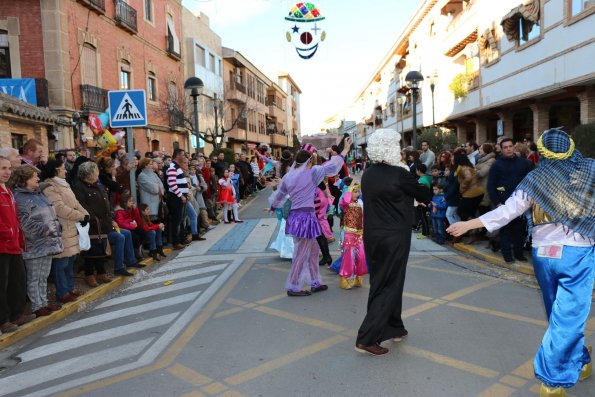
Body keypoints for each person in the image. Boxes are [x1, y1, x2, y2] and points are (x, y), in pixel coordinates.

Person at [448, 128, 594, 397]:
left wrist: (470, 223)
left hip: (543, 256)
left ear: (543, 152)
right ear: (570, 147)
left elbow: (508, 211)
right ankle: (552, 380)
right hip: (577, 255)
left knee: (558, 314)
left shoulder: (535, 178)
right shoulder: (589, 171)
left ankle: (580, 358)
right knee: (569, 316)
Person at [354, 129, 432, 356]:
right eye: (397, 145)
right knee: (390, 285)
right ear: (390, 148)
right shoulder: (400, 175)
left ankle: (394, 327)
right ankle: (366, 338)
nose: (400, 150)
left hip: (373, 236)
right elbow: (425, 194)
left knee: (382, 281)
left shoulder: (368, 173)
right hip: (394, 236)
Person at [268, 140, 352, 297]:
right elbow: (332, 167)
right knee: (301, 253)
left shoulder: (288, 176)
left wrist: (273, 206)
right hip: (306, 217)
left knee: (313, 250)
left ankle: (315, 282)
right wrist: (345, 150)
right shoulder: (313, 172)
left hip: (296, 217)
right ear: (309, 160)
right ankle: (293, 286)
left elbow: (280, 195)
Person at [12, 164, 64, 317]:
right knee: (34, 277)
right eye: (35, 177)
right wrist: (45, 229)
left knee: (43, 276)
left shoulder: (38, 193)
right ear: (26, 179)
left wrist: (57, 226)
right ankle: (36, 306)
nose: (38, 179)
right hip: (34, 244)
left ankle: (44, 302)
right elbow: (24, 222)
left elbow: (50, 213)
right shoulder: (19, 198)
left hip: (47, 242)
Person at [41, 160, 89, 303]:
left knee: (70, 261)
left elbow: (75, 203)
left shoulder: (64, 184)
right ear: (55, 170)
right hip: (61, 229)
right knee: (61, 262)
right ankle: (62, 292)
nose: (66, 171)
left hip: (71, 228)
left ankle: (70, 288)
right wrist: (80, 216)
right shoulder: (50, 187)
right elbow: (59, 208)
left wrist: (85, 214)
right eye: (63, 169)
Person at [0, 157, 34, 333]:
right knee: (2, 284)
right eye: (3, 168)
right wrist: (8, 233)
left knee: (17, 280)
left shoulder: (8, 190)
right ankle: (3, 320)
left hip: (13, 245)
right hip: (2, 246)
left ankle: (16, 314)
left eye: (9, 168)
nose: (7, 172)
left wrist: (18, 236)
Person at [487, 137, 533, 262]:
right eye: (505, 147)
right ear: (501, 150)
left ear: (514, 147)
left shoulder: (525, 163)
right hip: (504, 204)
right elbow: (491, 185)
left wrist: (529, 201)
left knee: (520, 231)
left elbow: (531, 183)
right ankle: (507, 255)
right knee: (505, 231)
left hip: (521, 204)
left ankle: (519, 254)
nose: (508, 149)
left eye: (510, 146)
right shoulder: (496, 165)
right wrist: (497, 203)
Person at [337, 183, 367, 289]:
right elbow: (344, 201)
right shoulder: (345, 203)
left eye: (358, 191)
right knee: (348, 256)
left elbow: (363, 217)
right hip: (349, 233)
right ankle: (344, 279)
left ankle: (358, 278)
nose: (357, 193)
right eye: (355, 191)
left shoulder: (360, 202)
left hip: (359, 233)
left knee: (361, 256)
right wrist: (349, 191)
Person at [167, 149, 189, 250]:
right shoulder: (172, 167)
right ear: (177, 156)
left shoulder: (176, 167)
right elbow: (172, 183)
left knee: (180, 219)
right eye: (183, 155)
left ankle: (181, 238)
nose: (184, 157)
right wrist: (181, 195)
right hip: (176, 197)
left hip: (180, 196)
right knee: (176, 220)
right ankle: (176, 242)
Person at [137, 157, 165, 222]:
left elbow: (162, 187)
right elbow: (154, 189)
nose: (152, 165)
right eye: (150, 164)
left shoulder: (154, 174)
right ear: (145, 165)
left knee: (159, 225)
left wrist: (158, 186)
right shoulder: (142, 176)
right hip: (149, 207)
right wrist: (157, 186)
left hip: (158, 205)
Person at [314, 180, 334, 266]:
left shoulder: (311, 171)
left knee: (318, 230)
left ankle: (326, 256)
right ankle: (326, 256)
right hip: (320, 196)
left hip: (317, 198)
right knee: (318, 229)